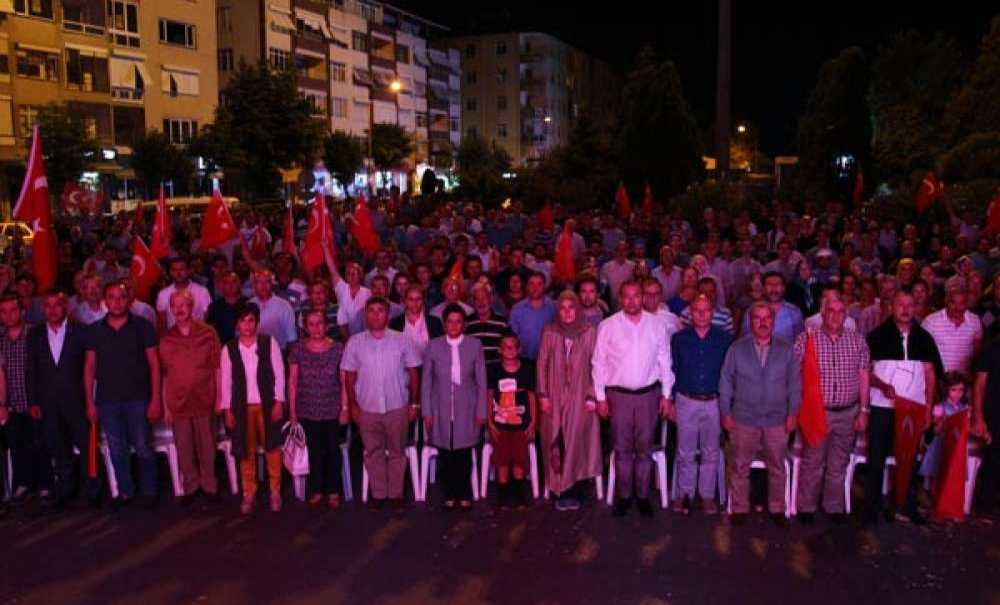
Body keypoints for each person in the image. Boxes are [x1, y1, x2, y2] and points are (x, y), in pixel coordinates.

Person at [593, 280, 674, 518]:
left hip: (649, 395)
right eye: (626, 296)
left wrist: (667, 395)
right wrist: (600, 397)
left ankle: (642, 495)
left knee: (644, 449)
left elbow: (665, 361)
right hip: (619, 396)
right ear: (620, 298)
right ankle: (625, 495)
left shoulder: (657, 325)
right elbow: (598, 363)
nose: (631, 301)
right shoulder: (607, 326)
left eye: (636, 296)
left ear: (643, 297)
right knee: (621, 449)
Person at [719, 301, 801, 526]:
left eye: (767, 318)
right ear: (750, 321)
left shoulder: (786, 349)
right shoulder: (737, 348)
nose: (763, 322)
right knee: (739, 467)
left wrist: (793, 413)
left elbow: (795, 384)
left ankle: (776, 508)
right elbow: (725, 382)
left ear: (773, 322)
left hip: (777, 420)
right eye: (758, 318)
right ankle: (739, 509)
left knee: (777, 468)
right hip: (743, 419)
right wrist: (725, 413)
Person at [865, 289, 942, 525]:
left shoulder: (925, 338)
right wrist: (881, 384)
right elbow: (865, 371)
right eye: (901, 304)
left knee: (909, 459)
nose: (906, 309)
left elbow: (930, 374)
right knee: (876, 459)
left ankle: (905, 507)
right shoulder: (876, 336)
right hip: (881, 408)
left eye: (910, 305)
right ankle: (872, 509)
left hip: (913, 410)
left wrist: (928, 409)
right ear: (891, 306)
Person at [84, 281, 162, 510]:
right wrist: (90, 402)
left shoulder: (143, 326)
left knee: (143, 446)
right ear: (104, 301)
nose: (117, 301)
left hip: (138, 398)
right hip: (107, 401)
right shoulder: (95, 331)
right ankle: (125, 491)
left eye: (121, 297)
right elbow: (89, 368)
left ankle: (149, 491)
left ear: (128, 300)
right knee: (117, 449)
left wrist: (156, 398)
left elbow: (154, 365)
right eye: (112, 297)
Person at [793, 296, 870, 524]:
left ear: (846, 315)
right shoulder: (806, 340)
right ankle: (806, 507)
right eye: (831, 311)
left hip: (848, 412)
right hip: (817, 412)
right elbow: (794, 375)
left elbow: (864, 376)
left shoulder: (857, 341)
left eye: (840, 312)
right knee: (812, 462)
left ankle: (833, 507)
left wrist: (864, 410)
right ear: (822, 314)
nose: (836, 316)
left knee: (839, 462)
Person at [342, 297, 421, 510]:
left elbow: (414, 372)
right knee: (373, 452)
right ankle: (378, 494)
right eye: (372, 311)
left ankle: (395, 495)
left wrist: (414, 404)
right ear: (365, 315)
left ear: (388, 315)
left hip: (397, 406)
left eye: (381, 311)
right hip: (367, 408)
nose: (376, 315)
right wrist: (353, 406)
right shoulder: (355, 342)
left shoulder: (403, 340)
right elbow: (349, 377)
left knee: (397, 451)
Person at [25, 289, 101, 510]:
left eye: (56, 305)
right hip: (48, 403)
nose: (52, 310)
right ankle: (67, 490)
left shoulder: (81, 332)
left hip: (77, 400)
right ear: (42, 309)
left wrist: (90, 401)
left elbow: (91, 370)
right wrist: (33, 402)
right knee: (59, 449)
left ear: (65, 307)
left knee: (87, 447)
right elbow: (32, 370)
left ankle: (93, 491)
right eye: (47, 306)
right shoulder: (35, 334)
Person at [219, 302, 287, 515]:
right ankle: (249, 492)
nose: (247, 326)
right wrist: (227, 410)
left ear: (257, 323)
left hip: (267, 404)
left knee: (272, 448)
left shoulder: (269, 343)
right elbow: (226, 382)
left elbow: (279, 374)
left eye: (251, 321)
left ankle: (275, 490)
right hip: (242, 407)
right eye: (243, 321)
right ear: (237, 324)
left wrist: (279, 401)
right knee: (245, 451)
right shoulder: (229, 348)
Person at [537, 291, 602, 511]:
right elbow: (542, 363)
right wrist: (543, 395)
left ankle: (577, 490)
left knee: (578, 442)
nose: (567, 313)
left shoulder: (589, 331)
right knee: (556, 439)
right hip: (554, 396)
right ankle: (559, 490)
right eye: (562, 308)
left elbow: (597, 365)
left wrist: (593, 395)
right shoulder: (550, 331)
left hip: (581, 396)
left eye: (571, 307)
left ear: (578, 309)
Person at [158, 290, 222, 506]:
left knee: (207, 445)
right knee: (184, 447)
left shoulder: (208, 332)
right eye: (174, 306)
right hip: (178, 402)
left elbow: (217, 368)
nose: (179, 310)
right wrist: (166, 407)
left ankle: (209, 486)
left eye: (183, 305)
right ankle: (191, 487)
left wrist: (220, 397)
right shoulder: (166, 338)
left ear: (192, 306)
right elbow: (164, 374)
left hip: (205, 398)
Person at [670, 295, 733, 515]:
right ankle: (684, 494)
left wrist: (728, 405)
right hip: (686, 400)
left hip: (714, 401)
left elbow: (729, 375)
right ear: (690, 313)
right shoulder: (679, 339)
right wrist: (670, 400)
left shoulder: (724, 339)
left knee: (711, 451)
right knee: (685, 451)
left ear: (713, 313)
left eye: (706, 310)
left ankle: (707, 495)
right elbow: (673, 371)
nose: (702, 314)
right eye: (697, 310)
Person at [421, 305, 487, 511]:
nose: (454, 325)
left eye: (458, 321)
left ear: (464, 324)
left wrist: (481, 410)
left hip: (467, 407)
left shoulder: (474, 345)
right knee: (446, 453)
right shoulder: (433, 346)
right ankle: (449, 492)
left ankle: (464, 492)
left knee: (464, 452)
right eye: (450, 321)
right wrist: (427, 411)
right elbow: (426, 382)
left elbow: (481, 382)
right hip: (440, 406)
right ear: (444, 324)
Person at [288, 309, 348, 509]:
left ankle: (333, 491)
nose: (316, 328)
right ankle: (316, 490)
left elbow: (343, 382)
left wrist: (345, 408)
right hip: (307, 410)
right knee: (313, 451)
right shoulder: (298, 349)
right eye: (311, 324)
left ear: (326, 325)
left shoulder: (338, 348)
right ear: (305, 327)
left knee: (332, 451)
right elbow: (293, 382)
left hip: (332, 409)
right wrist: (293, 413)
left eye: (319, 323)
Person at [0, 294, 52, 503]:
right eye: (3, 312)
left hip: (34, 400)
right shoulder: (1, 338)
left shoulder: (35, 334)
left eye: (13, 310)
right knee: (17, 445)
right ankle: (23, 484)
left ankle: (45, 485)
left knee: (40, 443)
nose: (8, 315)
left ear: (22, 311)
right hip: (11, 402)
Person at [486, 332, 537, 510]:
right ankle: (503, 496)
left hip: (521, 425)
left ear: (519, 349)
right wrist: (490, 422)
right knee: (501, 460)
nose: (509, 350)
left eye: (513, 346)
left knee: (519, 460)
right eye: (505, 347)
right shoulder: (494, 370)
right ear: (499, 350)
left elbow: (531, 397)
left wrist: (532, 422)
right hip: (500, 425)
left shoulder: (526, 370)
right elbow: (490, 395)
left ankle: (519, 494)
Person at [922, 286, 983, 375]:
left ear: (967, 304)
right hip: (938, 378)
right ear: (946, 302)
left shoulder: (975, 321)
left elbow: (977, 354)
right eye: (953, 303)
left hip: (964, 380)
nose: (957, 308)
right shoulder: (931, 321)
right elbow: (922, 353)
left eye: (961, 303)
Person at [740, 272, 804, 341]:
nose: (774, 288)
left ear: (783, 288)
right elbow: (745, 341)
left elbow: (800, 341)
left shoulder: (794, 312)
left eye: (778, 285)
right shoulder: (750, 312)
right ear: (763, 288)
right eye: (769, 284)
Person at [508, 272, 557, 362]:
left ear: (544, 286)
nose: (535, 288)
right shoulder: (517, 309)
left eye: (539, 284)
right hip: (523, 360)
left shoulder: (554, 308)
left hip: (549, 360)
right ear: (526, 286)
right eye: (531, 284)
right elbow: (512, 337)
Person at [156, 257, 212, 332]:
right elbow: (162, 324)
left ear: (189, 270)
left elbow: (207, 319)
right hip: (173, 339)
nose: (178, 273)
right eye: (174, 270)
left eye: (182, 269)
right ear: (170, 272)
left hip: (198, 337)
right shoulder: (163, 294)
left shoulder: (202, 291)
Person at [326, 246, 372, 340]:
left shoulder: (368, 293)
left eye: (353, 273)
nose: (350, 276)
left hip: (364, 336)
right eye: (348, 274)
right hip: (343, 335)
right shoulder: (341, 288)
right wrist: (326, 248)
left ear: (360, 275)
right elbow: (332, 269)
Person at [389, 285, 444, 360]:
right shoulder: (395, 323)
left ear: (423, 300)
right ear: (404, 301)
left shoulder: (435, 322)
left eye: (418, 299)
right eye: (411, 299)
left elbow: (440, 350)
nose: (414, 303)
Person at [248, 269, 298, 350]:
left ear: (272, 284)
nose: (263, 285)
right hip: (253, 352)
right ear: (254, 285)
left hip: (279, 351)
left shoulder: (284, 306)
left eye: (267, 282)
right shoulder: (248, 305)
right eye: (259, 282)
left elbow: (292, 339)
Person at [464, 283, 508, 369]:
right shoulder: (467, 322)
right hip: (473, 371)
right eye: (477, 299)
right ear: (473, 301)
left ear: (491, 299)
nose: (481, 302)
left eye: (484, 298)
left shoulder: (502, 322)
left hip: (496, 370)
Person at [206, 272, 246, 345]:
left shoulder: (248, 304)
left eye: (234, 282)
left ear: (239, 284)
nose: (230, 286)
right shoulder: (214, 307)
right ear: (221, 286)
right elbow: (209, 331)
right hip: (221, 347)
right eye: (227, 283)